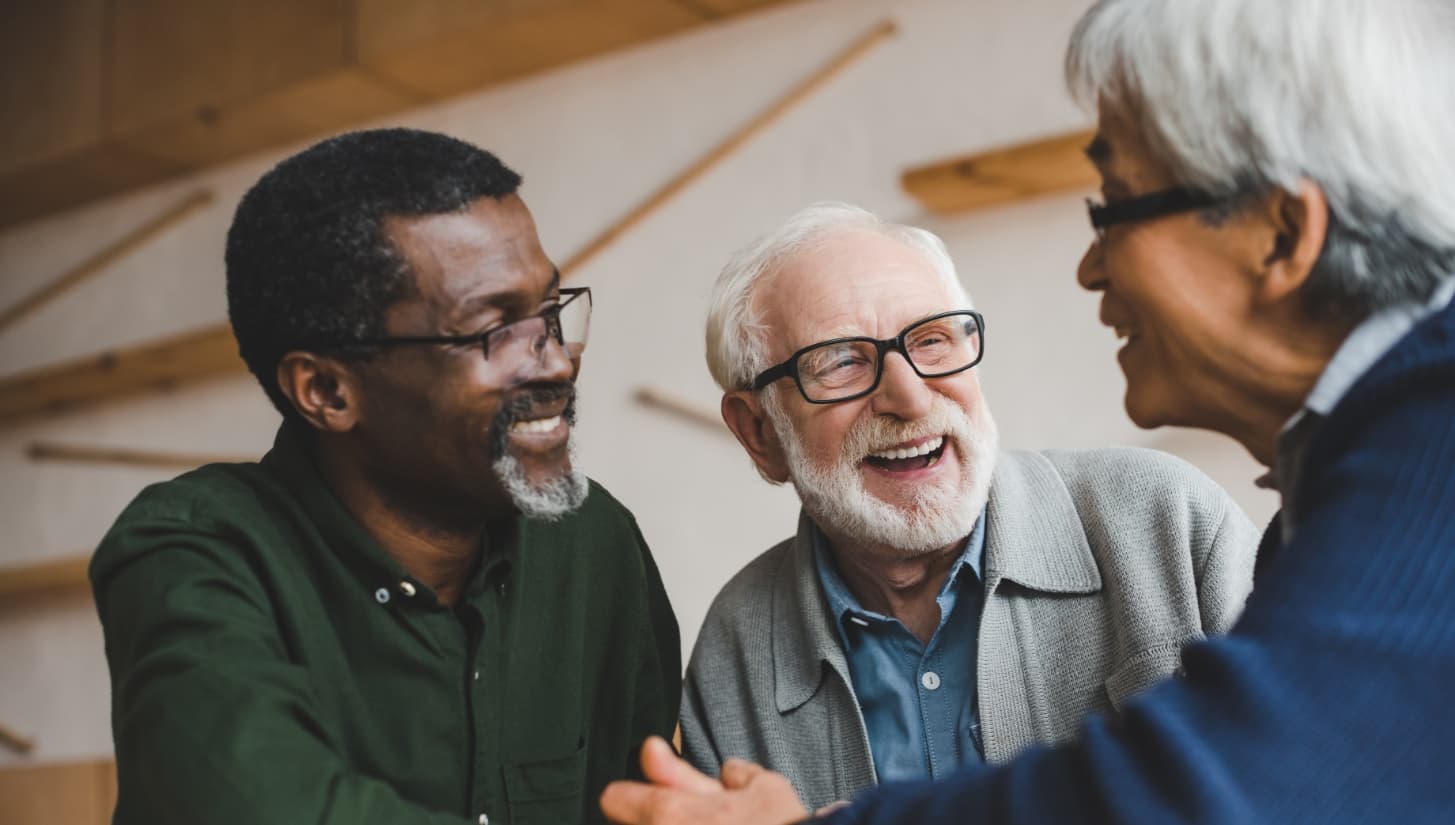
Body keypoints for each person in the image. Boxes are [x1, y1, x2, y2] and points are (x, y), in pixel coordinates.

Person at [598, 0, 1455, 821]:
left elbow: (1228, 790)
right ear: (757, 432)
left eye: (1112, 209)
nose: (1087, 269)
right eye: (840, 363)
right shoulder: (1357, 471)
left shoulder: (1423, 452)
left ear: (1278, 234)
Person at [90, 128, 680, 825]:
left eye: (548, 312)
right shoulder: (192, 549)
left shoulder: (595, 542)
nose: (553, 360)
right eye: (491, 329)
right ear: (328, 391)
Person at [679, 202, 1258, 812]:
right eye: (842, 362)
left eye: (931, 341)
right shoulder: (737, 644)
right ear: (759, 434)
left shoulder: (1166, 521)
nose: (909, 396)